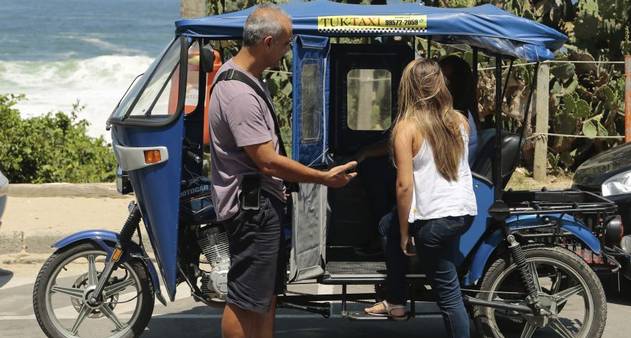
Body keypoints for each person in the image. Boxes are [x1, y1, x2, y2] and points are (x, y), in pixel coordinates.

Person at [208, 5, 357, 338]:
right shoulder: (239, 93)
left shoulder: (248, 79)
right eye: (288, 43)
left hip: (263, 205)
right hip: (252, 208)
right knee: (246, 299)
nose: (289, 51)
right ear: (268, 42)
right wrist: (322, 178)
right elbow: (266, 160)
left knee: (264, 297)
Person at [364, 58, 477, 338]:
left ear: (409, 88)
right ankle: (397, 299)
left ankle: (397, 300)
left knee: (449, 296)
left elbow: (404, 186)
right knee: (386, 226)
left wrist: (405, 234)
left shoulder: (407, 128)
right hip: (462, 212)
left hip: (436, 222)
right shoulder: (459, 121)